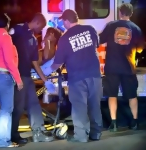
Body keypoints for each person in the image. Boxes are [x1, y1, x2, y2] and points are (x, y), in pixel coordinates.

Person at [44, 9, 103, 142]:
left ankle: (81, 136)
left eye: (62, 21)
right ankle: (96, 133)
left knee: (79, 107)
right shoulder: (90, 29)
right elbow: (95, 45)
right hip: (94, 74)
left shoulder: (64, 39)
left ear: (66, 21)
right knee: (95, 105)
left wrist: (45, 72)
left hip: (77, 78)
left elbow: (57, 64)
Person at [9, 13, 54, 144]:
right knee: (18, 106)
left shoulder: (33, 39)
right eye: (42, 27)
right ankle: (13, 135)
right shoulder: (17, 29)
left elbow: (35, 62)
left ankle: (38, 133)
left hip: (27, 76)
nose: (41, 30)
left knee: (34, 104)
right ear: (38, 23)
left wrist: (45, 80)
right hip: (16, 74)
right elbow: (5, 47)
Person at [99, 3, 145, 132]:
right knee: (132, 95)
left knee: (112, 95)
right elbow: (141, 49)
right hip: (128, 68)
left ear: (120, 12)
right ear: (131, 14)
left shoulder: (110, 25)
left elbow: (100, 40)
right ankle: (134, 122)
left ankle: (113, 124)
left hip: (112, 67)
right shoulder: (136, 28)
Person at [0, 13, 23, 148]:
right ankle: (3, 141)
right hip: (4, 75)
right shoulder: (5, 37)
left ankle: (4, 140)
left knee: (5, 109)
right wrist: (18, 80)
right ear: (7, 25)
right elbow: (9, 61)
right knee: (7, 109)